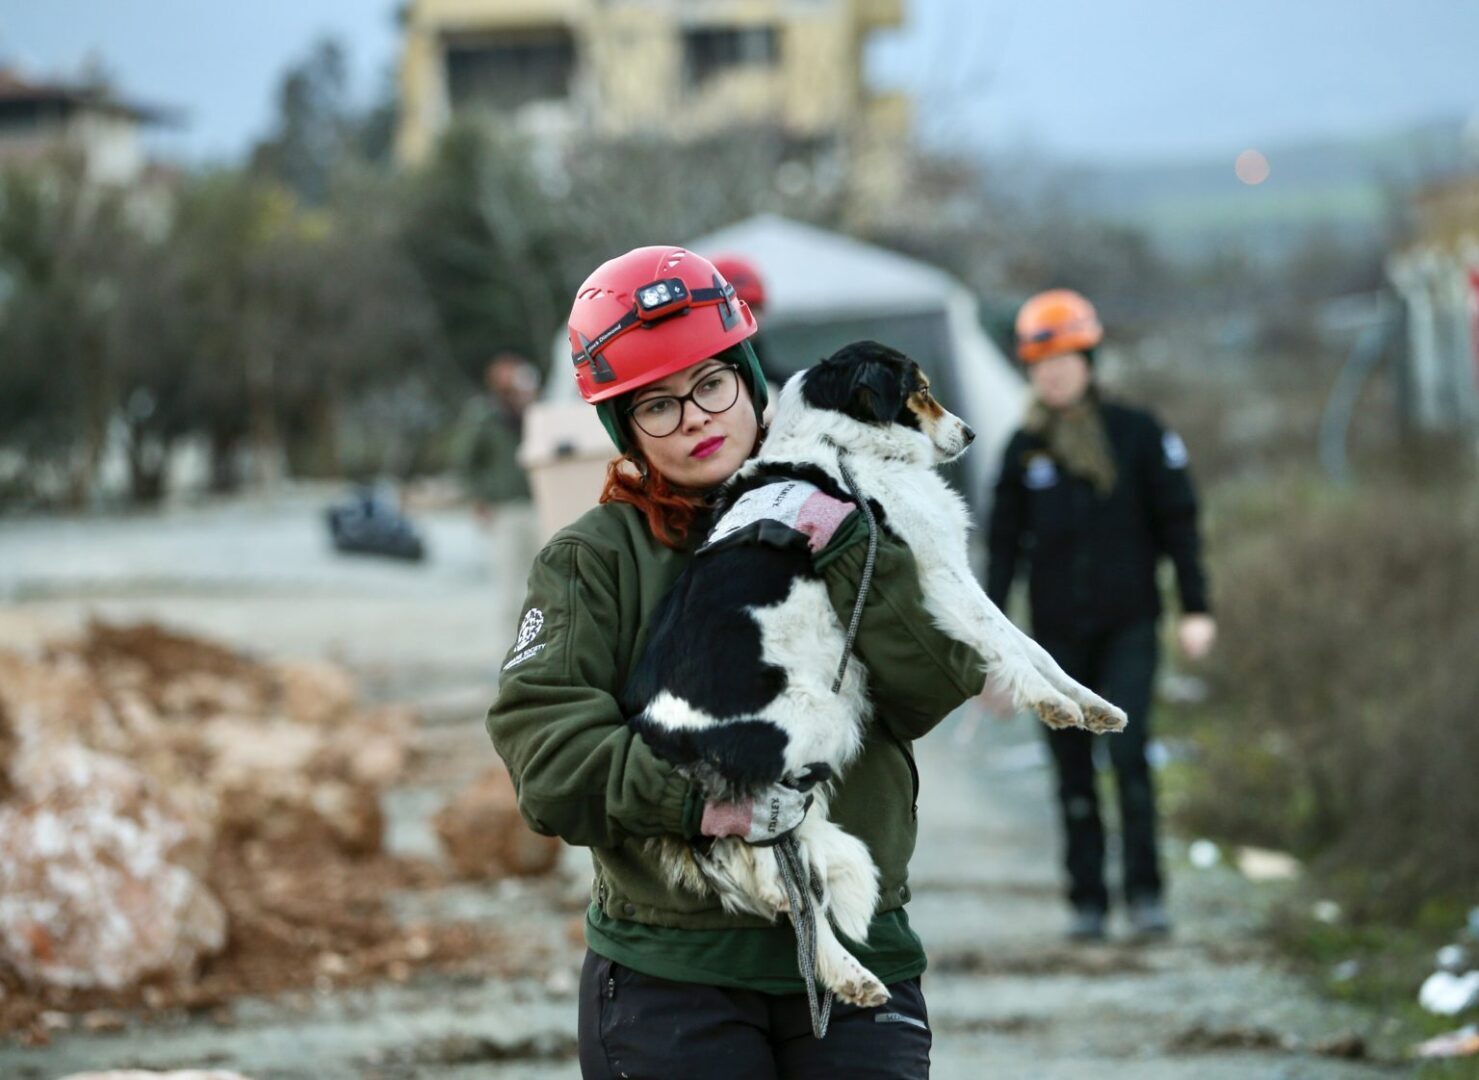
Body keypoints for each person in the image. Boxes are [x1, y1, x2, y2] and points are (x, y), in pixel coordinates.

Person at [486, 246, 985, 1078]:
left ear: (749, 375)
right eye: (655, 404)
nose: (692, 417)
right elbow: (548, 760)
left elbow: (932, 686)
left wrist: (856, 547)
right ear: (622, 427)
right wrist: (704, 797)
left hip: (860, 951)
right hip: (673, 976)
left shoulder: (855, 514)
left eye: (711, 383)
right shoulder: (594, 561)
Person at [985, 288, 1216, 942]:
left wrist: (1195, 607)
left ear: (1089, 358)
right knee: (1071, 774)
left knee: (1130, 756)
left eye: (1064, 358)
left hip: (1129, 625)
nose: (1053, 373)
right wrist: (993, 653)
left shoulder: (1137, 433)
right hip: (1054, 640)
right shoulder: (1022, 450)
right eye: (1040, 363)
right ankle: (1086, 899)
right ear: (1028, 370)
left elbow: (1178, 521)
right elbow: (1001, 555)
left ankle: (1145, 893)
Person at [454, 351, 540, 625]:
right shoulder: (485, 417)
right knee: (510, 591)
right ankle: (511, 655)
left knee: (541, 584)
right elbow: (465, 460)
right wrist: (479, 498)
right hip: (504, 509)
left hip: (537, 505)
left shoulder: (534, 412)